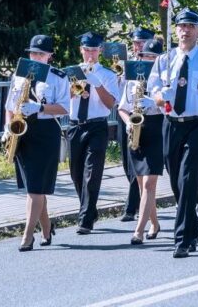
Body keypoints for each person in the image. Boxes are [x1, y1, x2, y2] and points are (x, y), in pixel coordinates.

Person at [149, 9, 198, 258]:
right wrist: (162, 98)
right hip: (172, 123)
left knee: (189, 178)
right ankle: (193, 229)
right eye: (181, 26)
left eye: (191, 26)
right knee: (175, 181)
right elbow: (154, 92)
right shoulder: (164, 60)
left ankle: (181, 238)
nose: (185, 30)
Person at [4, 35, 70, 251]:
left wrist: (40, 108)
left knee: (35, 188)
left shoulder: (59, 77)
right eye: (33, 53)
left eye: (41, 54)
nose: (36, 57)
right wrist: (8, 126)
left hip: (45, 132)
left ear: (50, 56)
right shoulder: (20, 75)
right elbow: (9, 105)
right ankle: (47, 228)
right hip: (22, 130)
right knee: (34, 187)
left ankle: (27, 235)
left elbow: (65, 108)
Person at [68, 32, 120, 235]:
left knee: (92, 172)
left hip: (97, 126)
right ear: (81, 50)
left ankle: (86, 219)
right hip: (75, 125)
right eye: (86, 50)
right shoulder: (72, 72)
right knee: (76, 173)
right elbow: (64, 100)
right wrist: (76, 88)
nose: (90, 54)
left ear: (100, 51)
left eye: (94, 50)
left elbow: (110, 104)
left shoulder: (107, 75)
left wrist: (96, 83)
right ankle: (89, 209)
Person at [118, 39, 164, 245]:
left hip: (157, 127)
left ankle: (139, 230)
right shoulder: (132, 80)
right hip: (136, 129)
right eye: (147, 57)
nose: (150, 60)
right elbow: (122, 107)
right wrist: (128, 122)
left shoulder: (164, 80)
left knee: (149, 183)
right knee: (140, 183)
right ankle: (154, 223)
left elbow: (172, 107)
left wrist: (155, 101)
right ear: (141, 57)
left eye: (155, 58)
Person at [119, 27, 155, 222]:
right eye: (135, 43)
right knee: (129, 165)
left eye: (142, 42)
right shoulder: (129, 65)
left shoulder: (161, 67)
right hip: (131, 118)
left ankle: (132, 208)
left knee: (146, 173)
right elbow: (121, 100)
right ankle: (147, 214)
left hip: (156, 123)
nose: (138, 46)